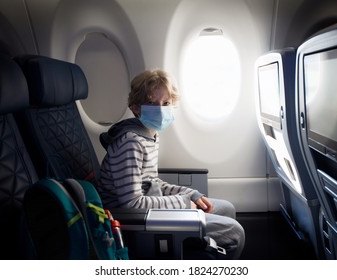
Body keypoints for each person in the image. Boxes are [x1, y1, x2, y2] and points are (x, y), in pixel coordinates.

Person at [98, 69, 245, 259]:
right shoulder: (130, 142)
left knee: (226, 208)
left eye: (166, 103)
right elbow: (132, 204)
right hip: (133, 221)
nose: (160, 109)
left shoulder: (149, 134)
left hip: (147, 208)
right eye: (151, 103)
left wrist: (189, 193)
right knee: (235, 232)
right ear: (136, 108)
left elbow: (151, 183)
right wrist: (184, 204)